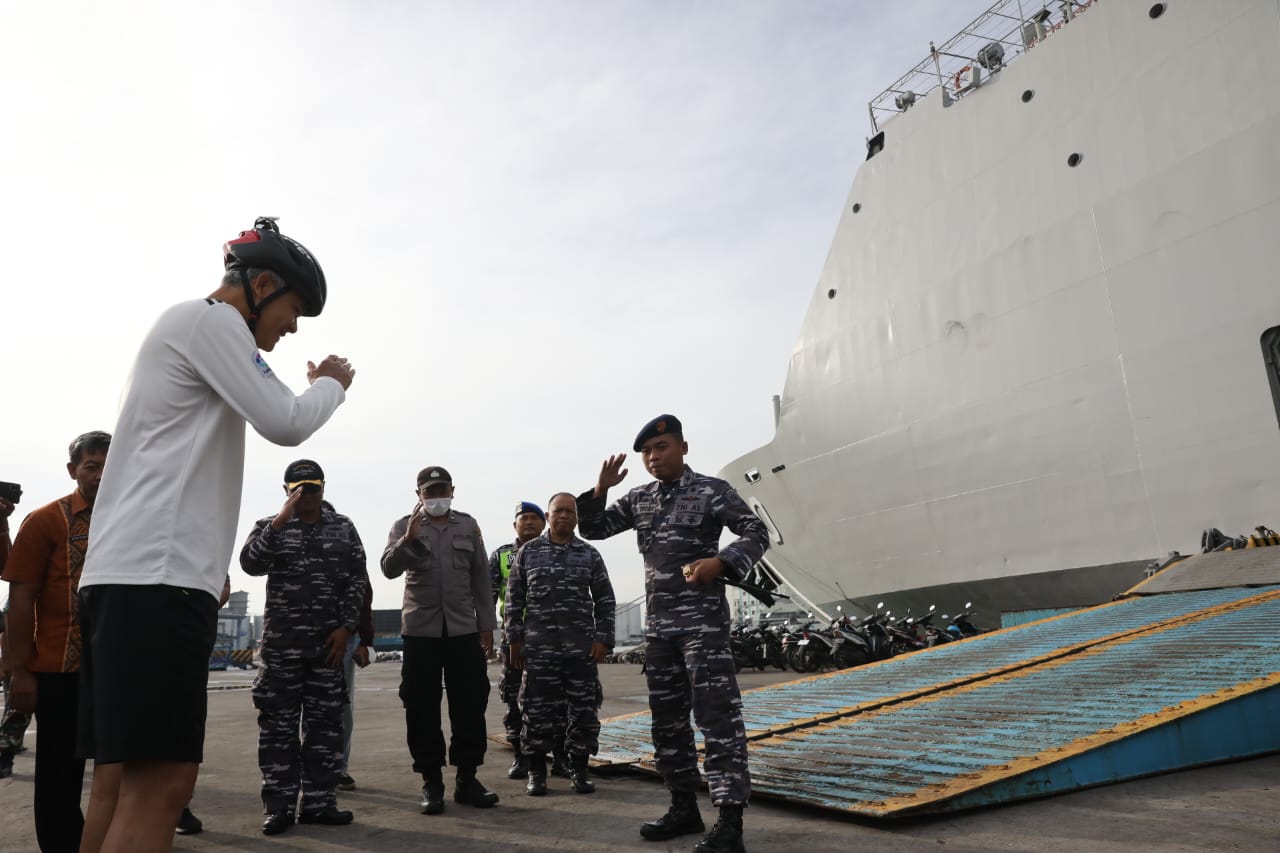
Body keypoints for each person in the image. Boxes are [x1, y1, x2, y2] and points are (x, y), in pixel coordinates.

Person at [77, 217, 355, 853]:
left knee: (116, 786)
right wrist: (331, 384)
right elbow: (286, 420)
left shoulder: (185, 329)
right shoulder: (213, 323)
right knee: (164, 786)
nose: (288, 330)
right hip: (158, 582)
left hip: (128, 579)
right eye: (290, 312)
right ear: (259, 284)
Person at [577, 415, 769, 853]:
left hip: (703, 627)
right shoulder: (639, 498)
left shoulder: (711, 491)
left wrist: (720, 562)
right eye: (646, 451)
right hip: (660, 632)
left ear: (683, 448)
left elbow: (757, 531)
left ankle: (730, 822)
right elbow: (594, 529)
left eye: (661, 447)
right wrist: (600, 491)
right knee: (667, 723)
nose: (652, 457)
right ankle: (684, 806)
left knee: (717, 718)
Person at [241, 460, 368, 835]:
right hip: (283, 648)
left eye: (312, 487)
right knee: (278, 728)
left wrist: (347, 628)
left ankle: (319, 803)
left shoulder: (343, 528)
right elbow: (250, 564)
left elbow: (356, 580)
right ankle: (279, 807)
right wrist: (279, 523)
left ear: (323, 488)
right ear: (286, 490)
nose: (306, 495)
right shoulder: (269, 526)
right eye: (298, 488)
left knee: (325, 728)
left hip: (328, 648)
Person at [1, 430, 110, 851]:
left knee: (124, 764)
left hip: (117, 668)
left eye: (109, 466)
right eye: (92, 466)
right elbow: (21, 597)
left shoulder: (134, 519)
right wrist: (21, 671)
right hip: (58, 670)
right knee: (59, 773)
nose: (101, 475)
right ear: (73, 471)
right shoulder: (46, 520)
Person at [381, 466, 499, 815]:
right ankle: (431, 781)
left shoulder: (468, 525)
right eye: (429, 492)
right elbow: (388, 568)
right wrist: (408, 541)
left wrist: (487, 625)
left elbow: (481, 577)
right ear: (418, 495)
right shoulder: (404, 526)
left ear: (453, 490)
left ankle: (467, 778)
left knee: (470, 702)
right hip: (421, 631)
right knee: (420, 706)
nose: (436, 497)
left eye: (441, 490)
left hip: (463, 629)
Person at [506, 492, 615, 797]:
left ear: (576, 517)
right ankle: (537, 773)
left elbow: (605, 601)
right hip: (539, 650)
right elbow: (514, 599)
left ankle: (579, 771)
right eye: (558, 511)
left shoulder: (589, 554)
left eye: (569, 511)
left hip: (580, 651)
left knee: (583, 711)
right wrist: (513, 639)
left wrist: (603, 639)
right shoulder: (529, 553)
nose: (564, 516)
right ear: (549, 516)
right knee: (535, 712)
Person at [488, 501, 546, 779]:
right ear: (515, 524)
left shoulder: (554, 551)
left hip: (549, 637)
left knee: (552, 700)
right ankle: (520, 756)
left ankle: (557, 756)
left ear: (544, 523)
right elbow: (487, 596)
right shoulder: (501, 555)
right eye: (524, 518)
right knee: (513, 698)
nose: (530, 522)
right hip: (514, 638)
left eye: (535, 517)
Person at [337, 578, 374, 792]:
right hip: (303, 634)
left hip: (345, 635)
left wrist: (366, 640)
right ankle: (308, 768)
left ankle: (339, 768)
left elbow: (363, 591)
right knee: (306, 708)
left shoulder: (348, 544)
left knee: (343, 708)